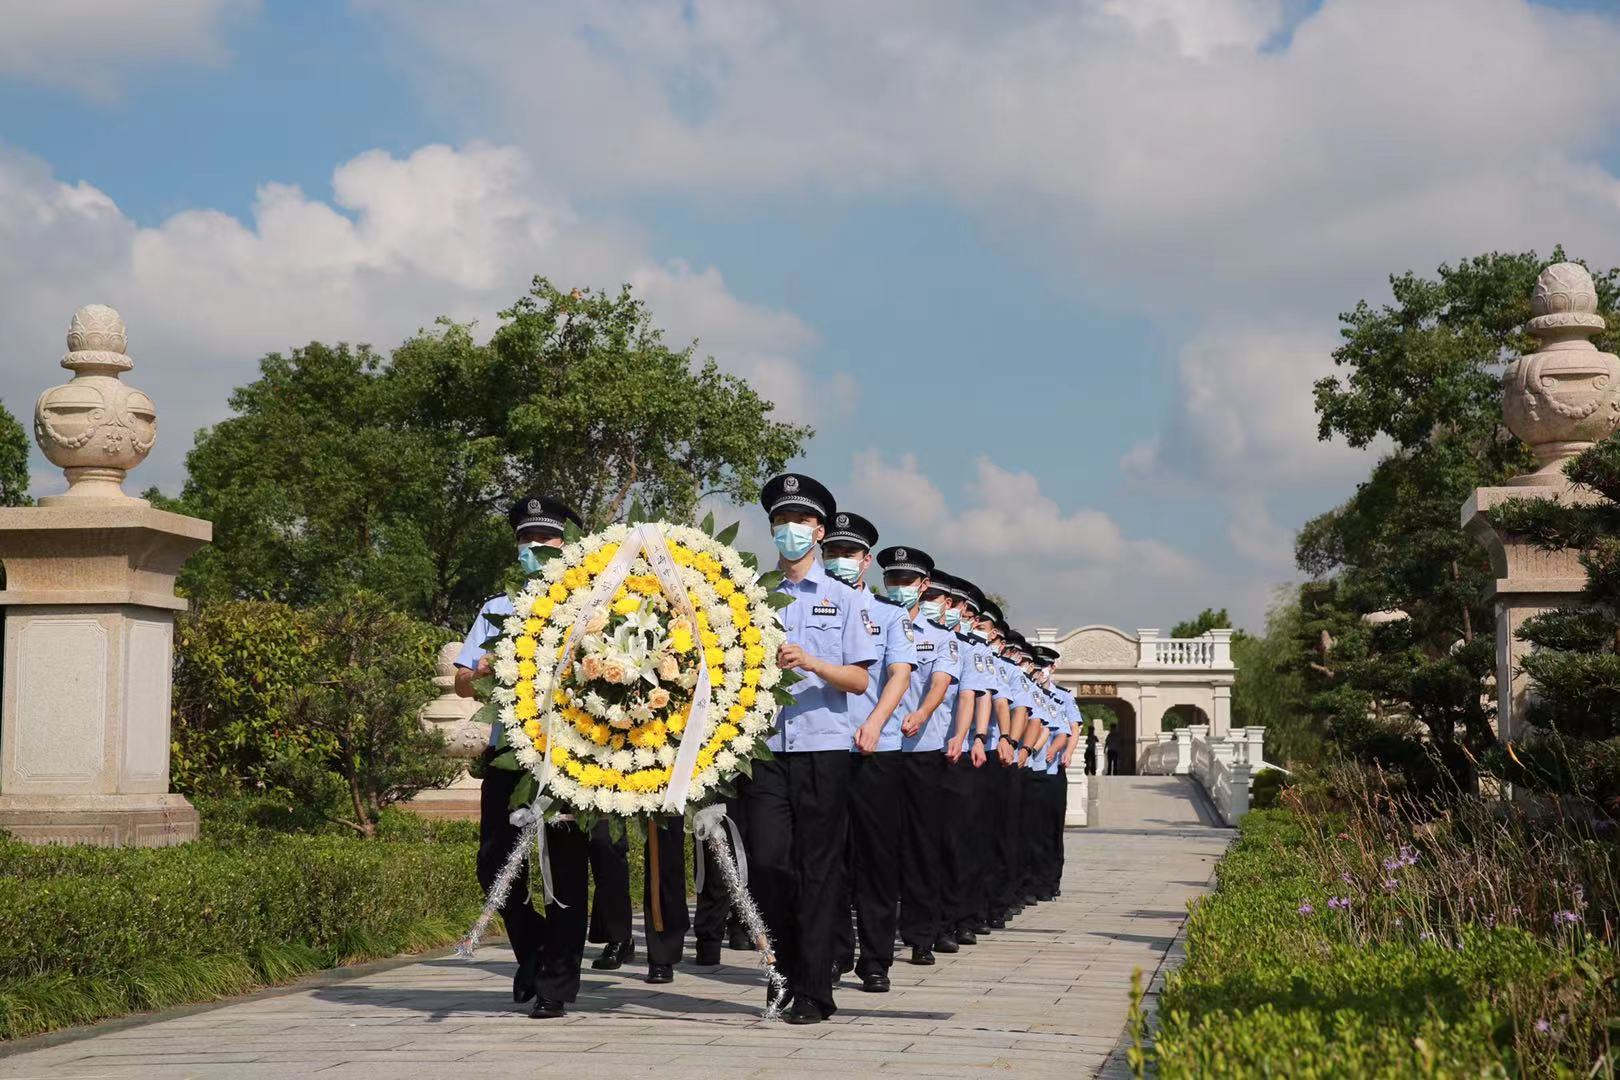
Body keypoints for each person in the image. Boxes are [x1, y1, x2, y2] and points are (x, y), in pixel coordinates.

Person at [746, 473, 878, 1025]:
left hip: (823, 748)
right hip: (765, 750)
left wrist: (812, 662)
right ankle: (784, 973)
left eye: (799, 521)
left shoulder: (841, 600)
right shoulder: (749, 592)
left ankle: (814, 991)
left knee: (819, 869)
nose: (789, 531)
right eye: (780, 521)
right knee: (768, 865)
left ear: (819, 531)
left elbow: (859, 680)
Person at [455, 492, 591, 1020]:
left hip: (570, 758)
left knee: (565, 870)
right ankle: (534, 951)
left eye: (545, 540)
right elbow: (462, 682)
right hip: (506, 756)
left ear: (569, 544)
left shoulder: (592, 604)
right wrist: (481, 671)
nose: (533, 549)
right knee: (494, 865)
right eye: (525, 540)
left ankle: (557, 984)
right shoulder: (496, 608)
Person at [828, 514, 915, 992]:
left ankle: (876, 957)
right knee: (827, 856)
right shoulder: (812, 603)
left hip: (876, 749)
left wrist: (876, 722)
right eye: (833, 552)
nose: (840, 561)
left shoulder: (888, 615)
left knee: (877, 858)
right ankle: (836, 949)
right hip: (823, 746)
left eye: (849, 553)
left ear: (865, 561)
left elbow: (899, 675)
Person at [876, 546, 959, 966]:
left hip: (921, 749)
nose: (899, 588)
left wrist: (922, 714)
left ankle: (921, 933)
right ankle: (875, 929)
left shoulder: (941, 638)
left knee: (922, 845)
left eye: (907, 581)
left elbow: (940, 683)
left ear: (923, 586)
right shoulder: (870, 623)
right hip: (877, 749)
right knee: (877, 844)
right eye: (893, 580)